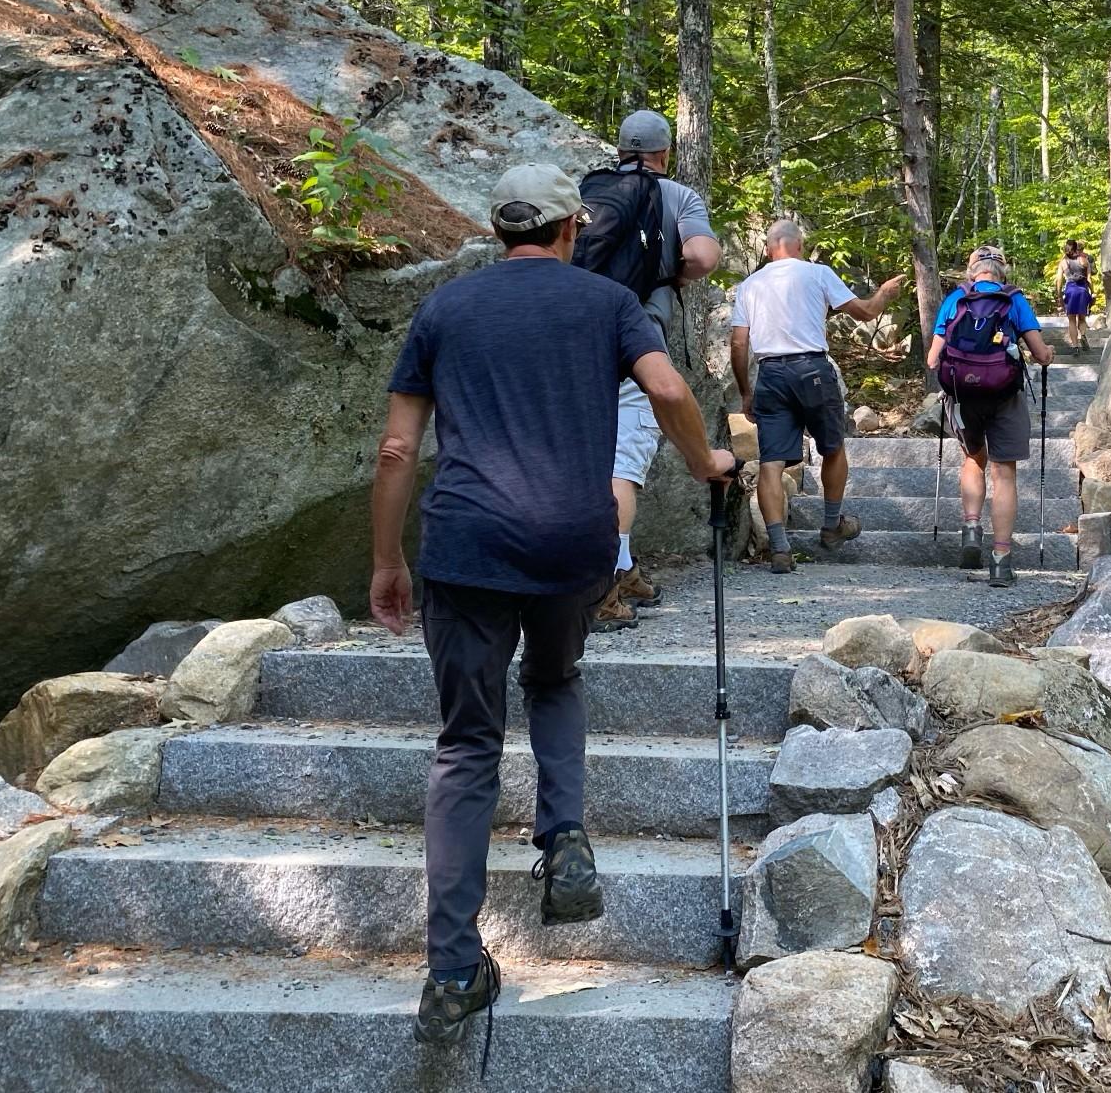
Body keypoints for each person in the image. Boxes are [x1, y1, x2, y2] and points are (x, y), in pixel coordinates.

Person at [369, 162, 735, 1050]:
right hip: (574, 542)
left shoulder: (444, 311)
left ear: (498, 228)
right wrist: (704, 465)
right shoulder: (607, 304)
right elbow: (672, 390)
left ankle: (453, 969)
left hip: (464, 544)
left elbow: (394, 446)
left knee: (465, 743)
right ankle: (564, 831)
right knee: (557, 673)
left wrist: (386, 557)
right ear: (574, 227)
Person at [576, 109, 724, 633]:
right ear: (665, 152)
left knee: (587, 456)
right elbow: (704, 257)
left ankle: (622, 566)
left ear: (621, 148)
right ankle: (602, 591)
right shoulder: (677, 195)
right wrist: (672, 276)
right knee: (622, 467)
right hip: (637, 336)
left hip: (576, 335)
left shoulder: (589, 189)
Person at [729, 219, 906, 574]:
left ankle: (780, 548)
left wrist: (746, 392)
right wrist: (886, 293)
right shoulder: (817, 273)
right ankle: (830, 526)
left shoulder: (750, 285)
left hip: (771, 374)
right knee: (833, 447)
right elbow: (867, 313)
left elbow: (738, 342)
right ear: (800, 245)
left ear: (768, 249)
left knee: (771, 463)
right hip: (812, 370)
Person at [928, 245, 1055, 586]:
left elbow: (931, 360)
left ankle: (971, 527)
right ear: (1003, 272)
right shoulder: (1014, 300)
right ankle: (1001, 560)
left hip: (964, 397)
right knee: (1004, 475)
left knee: (973, 460)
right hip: (1004, 396)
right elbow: (1041, 355)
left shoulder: (955, 299)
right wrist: (1049, 353)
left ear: (972, 272)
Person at [1056, 239, 1094, 350]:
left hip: (1070, 290)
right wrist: (1093, 291)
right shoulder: (1084, 260)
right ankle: (1082, 334)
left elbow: (1059, 280)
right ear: (1076, 248)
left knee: (1072, 320)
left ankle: (1075, 346)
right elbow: (1089, 279)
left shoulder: (1063, 262)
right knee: (1082, 318)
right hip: (1083, 290)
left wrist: (1059, 295)